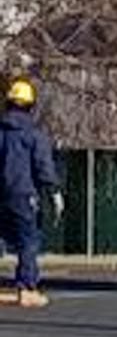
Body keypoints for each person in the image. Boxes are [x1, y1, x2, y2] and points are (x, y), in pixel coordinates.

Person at [0, 77, 59, 309]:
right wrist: (53, 191)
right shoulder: (34, 135)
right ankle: (26, 287)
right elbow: (43, 166)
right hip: (24, 195)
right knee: (28, 241)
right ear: (30, 105)